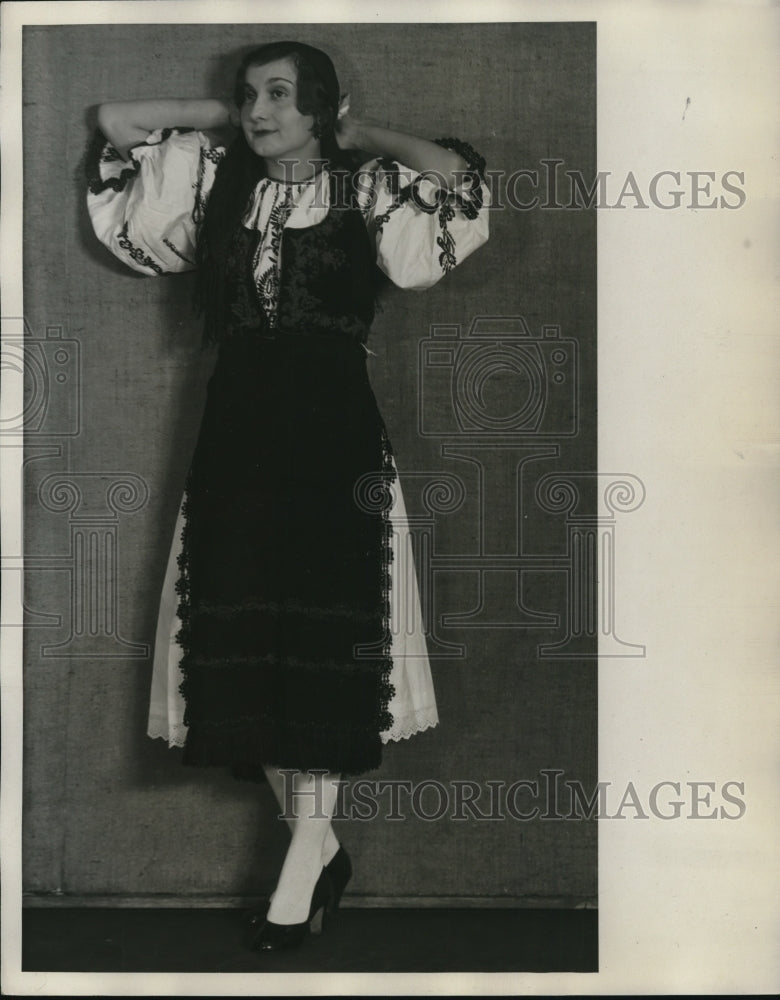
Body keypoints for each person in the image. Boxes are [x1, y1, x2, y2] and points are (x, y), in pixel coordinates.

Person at [87, 40, 489, 953]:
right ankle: (321, 845)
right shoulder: (214, 186)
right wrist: (232, 123)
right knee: (240, 637)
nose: (259, 108)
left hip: (333, 437)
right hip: (236, 434)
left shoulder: (370, 191)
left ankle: (305, 855)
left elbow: (457, 180)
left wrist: (357, 132)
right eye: (248, 93)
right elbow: (116, 126)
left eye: (280, 94)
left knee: (320, 639)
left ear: (322, 103)